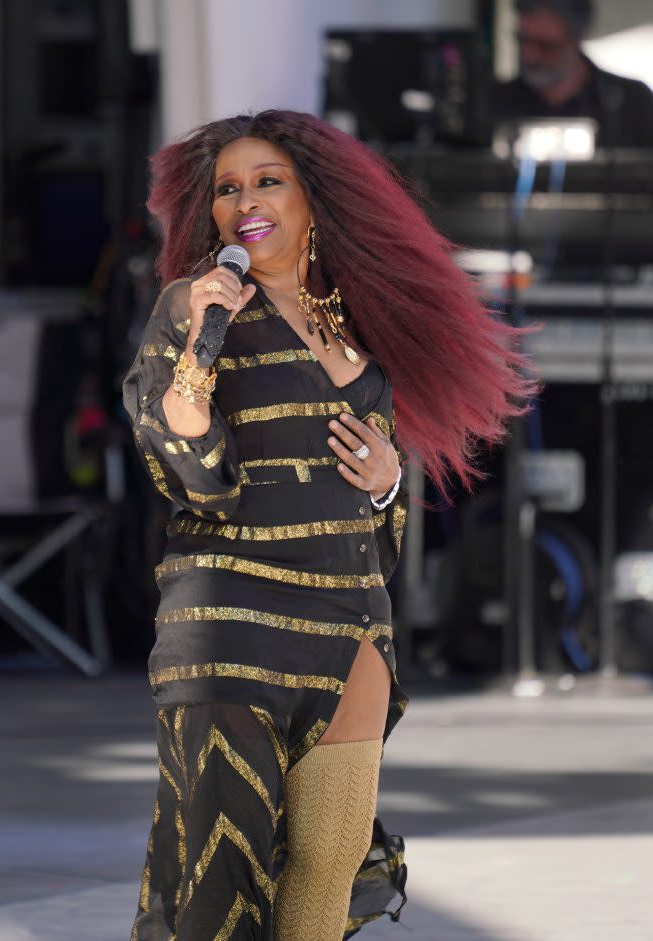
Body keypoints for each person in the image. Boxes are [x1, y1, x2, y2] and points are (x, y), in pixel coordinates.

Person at [123, 109, 534, 941]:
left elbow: (369, 491)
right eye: (227, 189)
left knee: (328, 876)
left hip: (350, 626)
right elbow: (189, 474)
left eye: (267, 180)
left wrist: (388, 485)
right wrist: (205, 341)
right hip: (231, 624)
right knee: (219, 886)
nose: (245, 201)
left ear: (316, 197)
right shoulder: (193, 309)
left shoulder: (350, 320)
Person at [492, 0, 653, 147]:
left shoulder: (631, 104)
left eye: (546, 46)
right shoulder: (491, 104)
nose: (531, 55)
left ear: (575, 40)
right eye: (523, 40)